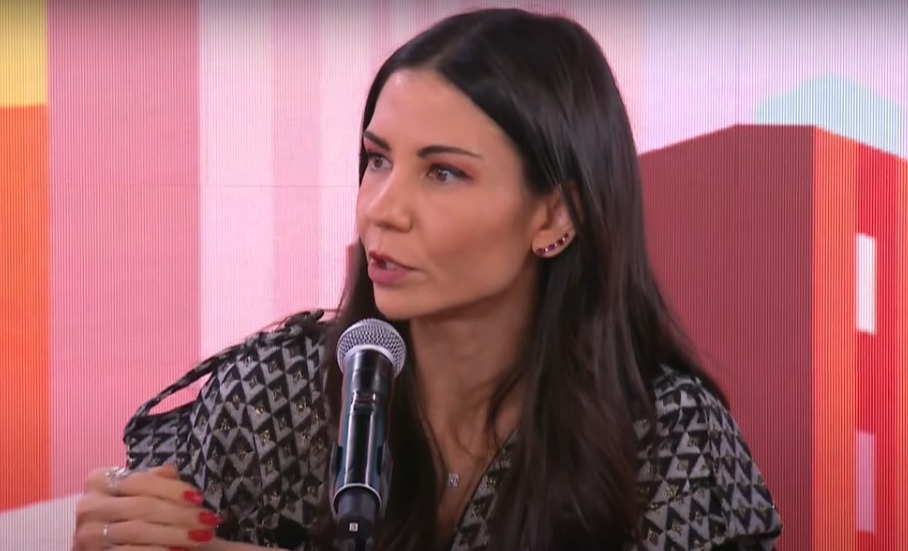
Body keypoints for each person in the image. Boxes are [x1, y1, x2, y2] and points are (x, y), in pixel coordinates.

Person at [70, 7, 783, 551]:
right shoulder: (274, 396)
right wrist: (122, 527)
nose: (382, 210)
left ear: (555, 215)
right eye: (377, 160)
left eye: (442, 173)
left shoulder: (666, 435)